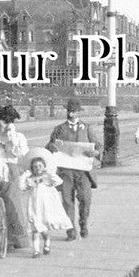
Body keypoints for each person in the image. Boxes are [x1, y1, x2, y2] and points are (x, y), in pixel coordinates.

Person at [47, 98, 100, 240]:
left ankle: (83, 223)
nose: (72, 113)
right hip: (66, 171)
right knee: (67, 201)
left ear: (79, 113)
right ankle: (70, 230)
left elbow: (98, 146)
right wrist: (53, 147)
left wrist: (95, 153)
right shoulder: (59, 129)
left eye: (75, 111)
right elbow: (49, 146)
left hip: (83, 171)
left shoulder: (87, 128)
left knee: (85, 198)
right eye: (70, 111)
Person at [0, 105, 30, 250]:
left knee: (12, 204)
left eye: (0, 124)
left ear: (8, 124)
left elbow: (22, 154)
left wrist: (11, 136)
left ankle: (18, 238)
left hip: (11, 171)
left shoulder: (18, 137)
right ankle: (1, 239)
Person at [18, 148, 73, 258]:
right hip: (33, 207)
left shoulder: (47, 178)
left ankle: (47, 242)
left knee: (44, 230)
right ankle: (36, 251)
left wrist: (50, 174)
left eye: (40, 166)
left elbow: (59, 182)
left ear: (44, 167)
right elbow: (22, 187)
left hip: (45, 207)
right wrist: (24, 176)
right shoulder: (30, 179)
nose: (37, 169)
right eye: (35, 167)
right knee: (35, 230)